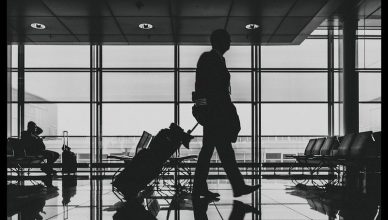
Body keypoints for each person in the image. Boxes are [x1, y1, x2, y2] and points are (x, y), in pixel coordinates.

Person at [192, 29, 260, 198]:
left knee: (213, 151)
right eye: (228, 40)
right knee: (220, 151)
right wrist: (205, 110)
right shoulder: (209, 58)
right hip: (215, 115)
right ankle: (237, 187)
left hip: (216, 115)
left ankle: (202, 188)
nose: (230, 43)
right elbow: (203, 87)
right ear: (219, 42)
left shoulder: (217, 59)